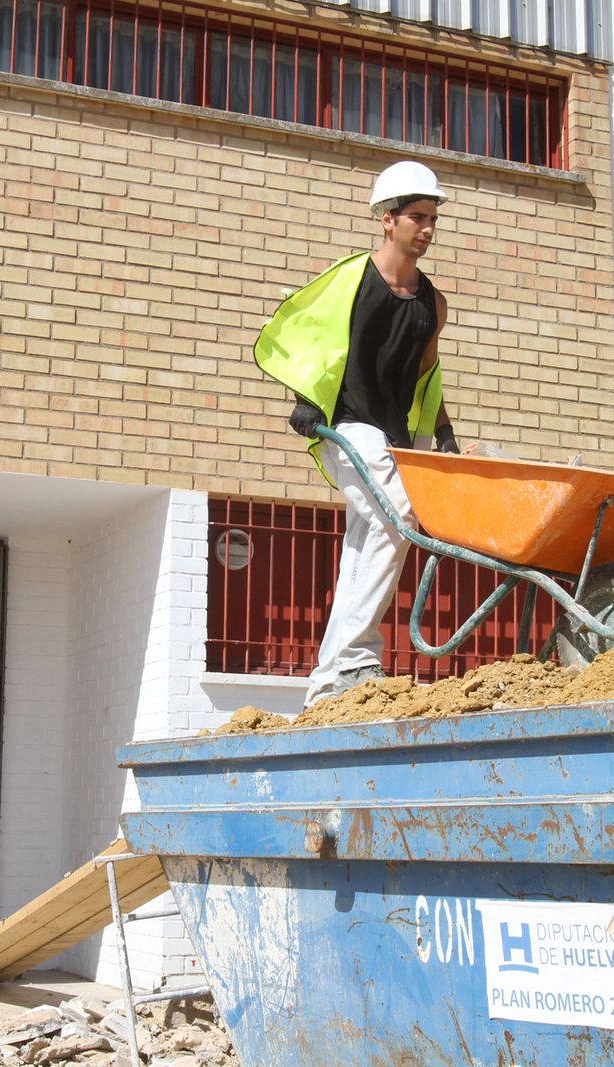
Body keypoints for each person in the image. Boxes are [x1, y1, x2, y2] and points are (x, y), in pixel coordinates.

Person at [253, 160, 462, 707]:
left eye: (433, 218)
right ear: (386, 220)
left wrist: (443, 431)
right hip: (346, 422)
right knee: (397, 518)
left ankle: (328, 677)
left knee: (367, 540)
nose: (428, 229)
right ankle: (357, 656)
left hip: (394, 434)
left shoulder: (431, 304)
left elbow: (427, 372)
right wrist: (305, 398)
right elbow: (311, 337)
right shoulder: (351, 281)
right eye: (417, 217)